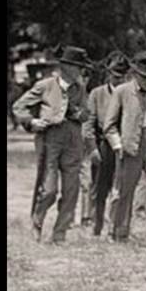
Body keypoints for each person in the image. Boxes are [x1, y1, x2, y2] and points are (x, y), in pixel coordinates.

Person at [12, 46, 92, 245]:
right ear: (65, 67)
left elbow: (85, 113)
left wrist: (79, 114)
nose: (80, 71)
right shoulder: (45, 85)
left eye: (81, 68)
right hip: (50, 139)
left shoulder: (80, 88)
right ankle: (37, 221)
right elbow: (19, 106)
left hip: (73, 140)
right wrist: (31, 122)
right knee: (49, 189)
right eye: (77, 67)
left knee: (71, 189)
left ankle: (60, 233)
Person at [105, 51, 146, 247]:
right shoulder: (122, 92)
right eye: (144, 77)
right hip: (129, 146)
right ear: (135, 74)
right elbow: (109, 125)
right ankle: (119, 231)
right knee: (125, 191)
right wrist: (118, 145)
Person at [80, 51, 129, 236]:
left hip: (124, 144)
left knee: (121, 188)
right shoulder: (97, 94)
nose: (118, 80)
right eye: (115, 76)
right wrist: (92, 148)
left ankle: (115, 228)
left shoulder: (130, 93)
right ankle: (97, 224)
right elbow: (89, 124)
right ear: (108, 73)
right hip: (103, 146)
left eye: (122, 76)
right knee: (99, 188)